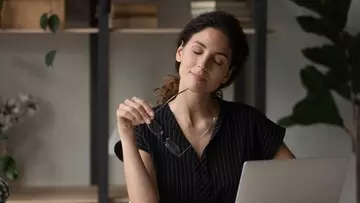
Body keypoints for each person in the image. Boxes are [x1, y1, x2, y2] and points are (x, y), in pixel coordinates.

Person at [114, 10, 295, 203]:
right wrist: (126, 134)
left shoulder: (248, 122)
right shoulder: (147, 125)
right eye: (197, 51)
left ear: (227, 74)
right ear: (180, 52)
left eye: (218, 61)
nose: (203, 64)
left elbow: (298, 181)